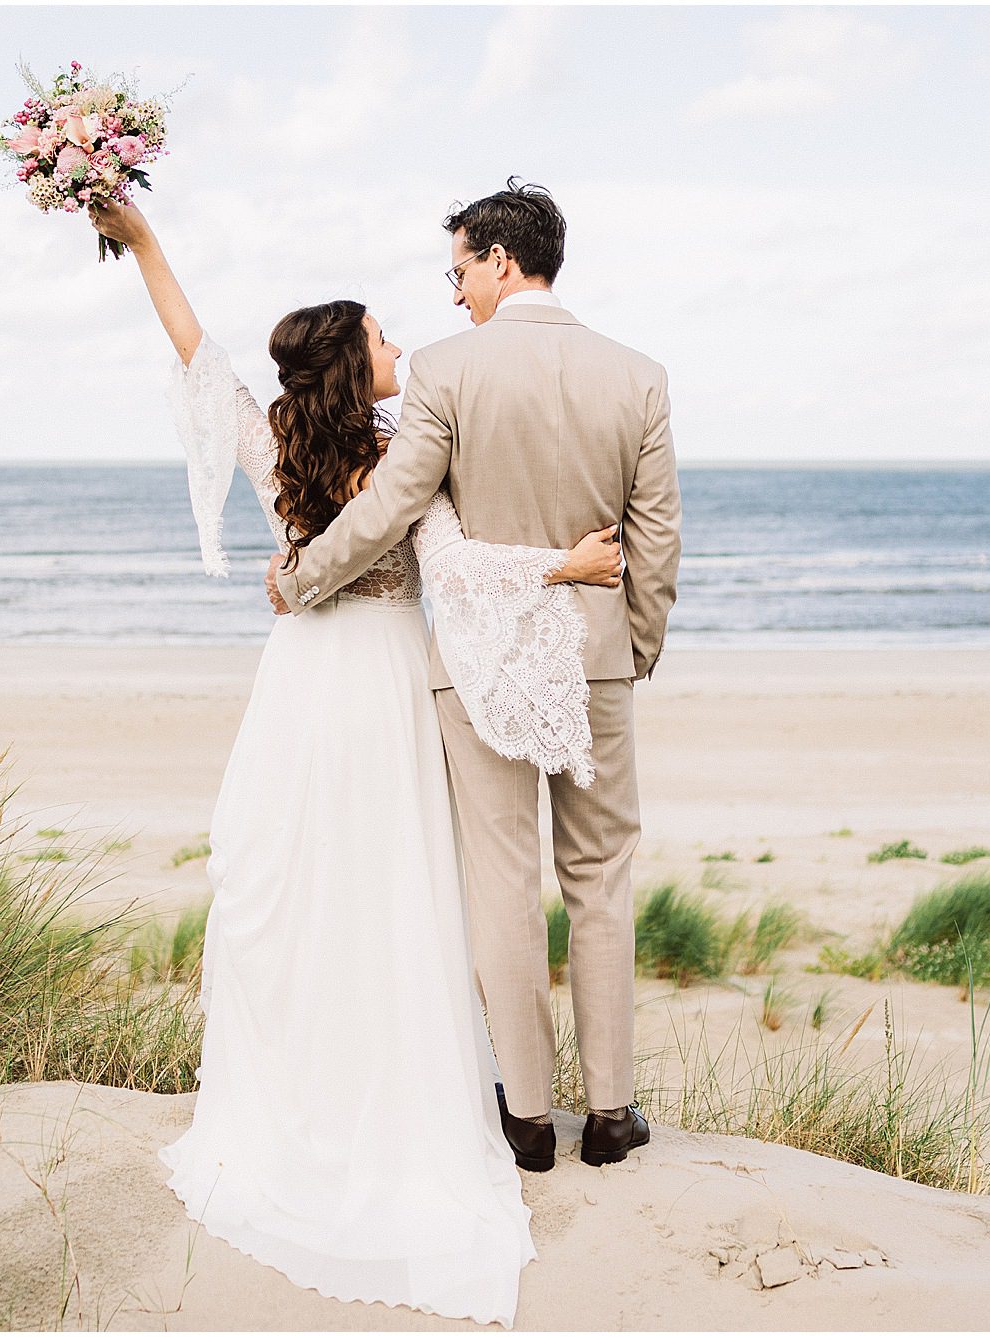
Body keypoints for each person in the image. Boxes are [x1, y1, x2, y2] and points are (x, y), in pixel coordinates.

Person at [86, 197, 624, 1328]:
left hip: (303, 677)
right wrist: (569, 569)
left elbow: (198, 355)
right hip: (377, 683)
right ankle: (373, 1092)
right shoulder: (398, 454)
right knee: (388, 890)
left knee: (308, 887)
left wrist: (147, 249)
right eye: (382, 338)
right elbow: (461, 566)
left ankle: (316, 1090)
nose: (400, 347)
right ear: (352, 366)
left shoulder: (279, 441)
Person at [266, 178, 683, 1173]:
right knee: (599, 879)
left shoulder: (445, 374)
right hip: (595, 659)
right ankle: (611, 1116)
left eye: (458, 270)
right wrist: (634, 646)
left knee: (501, 884)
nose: (452, 296)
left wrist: (302, 574)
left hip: (476, 669)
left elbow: (389, 509)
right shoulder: (638, 376)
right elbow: (656, 539)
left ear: (500, 259)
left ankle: (528, 1118)